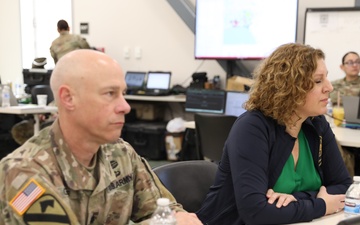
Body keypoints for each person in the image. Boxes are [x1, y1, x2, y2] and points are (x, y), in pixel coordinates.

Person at [0, 49, 202, 225]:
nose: (125, 106)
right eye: (110, 93)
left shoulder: (120, 153)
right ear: (68, 98)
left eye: (123, 93)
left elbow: (170, 212)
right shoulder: (23, 171)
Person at [196, 43, 352, 225]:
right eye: (318, 81)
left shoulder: (316, 124)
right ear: (291, 87)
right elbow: (255, 212)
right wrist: (321, 205)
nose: (329, 88)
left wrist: (298, 200)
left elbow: (343, 188)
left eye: (326, 78)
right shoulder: (252, 128)